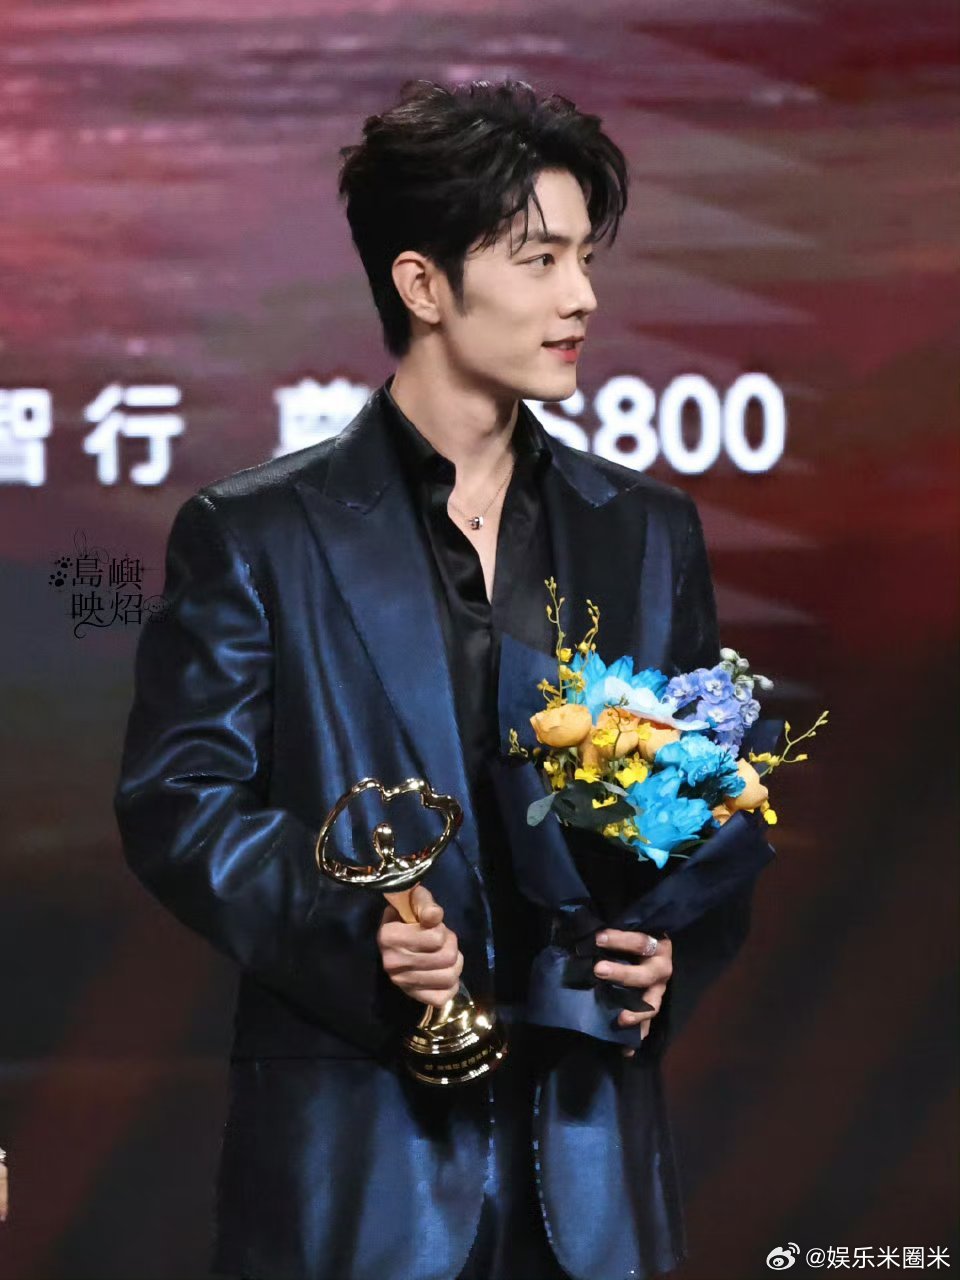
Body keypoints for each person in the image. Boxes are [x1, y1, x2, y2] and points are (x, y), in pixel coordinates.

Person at [114, 78, 756, 1280]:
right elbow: (179, 801)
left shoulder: (645, 531)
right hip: (361, 1161)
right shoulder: (260, 532)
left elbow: (710, 803)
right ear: (423, 284)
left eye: (586, 257)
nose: (582, 295)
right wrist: (358, 927)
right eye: (540, 259)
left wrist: (670, 950)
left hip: (591, 1166)